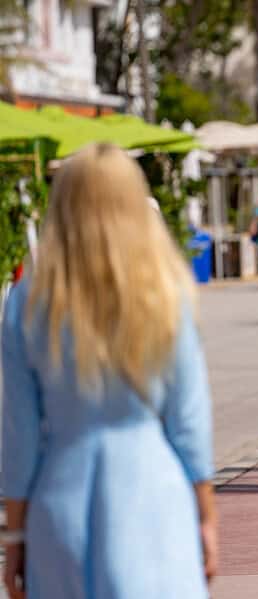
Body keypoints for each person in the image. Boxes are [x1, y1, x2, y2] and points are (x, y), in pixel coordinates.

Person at [1, 143, 217, 599]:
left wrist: (14, 535)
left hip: (61, 494)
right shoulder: (166, 290)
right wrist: (206, 516)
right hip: (153, 493)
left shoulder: (29, 300)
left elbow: (17, 433)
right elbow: (190, 420)